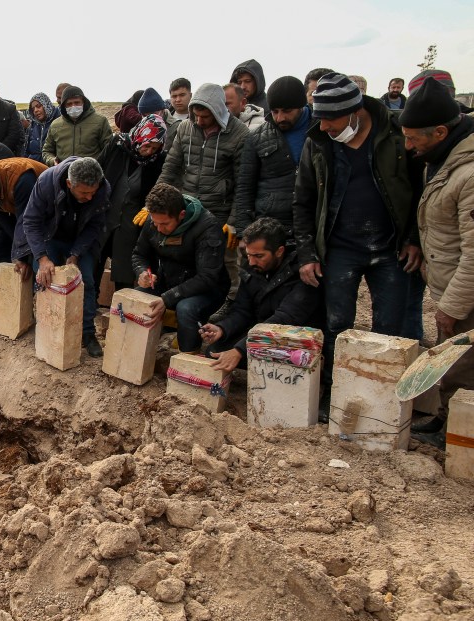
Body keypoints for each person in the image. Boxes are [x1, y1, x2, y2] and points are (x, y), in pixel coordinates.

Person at [293, 72, 421, 422]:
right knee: (337, 326)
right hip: (340, 248)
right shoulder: (318, 143)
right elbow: (303, 201)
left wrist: (412, 239)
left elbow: (417, 192)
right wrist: (307, 253)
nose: (324, 128)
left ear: (354, 111)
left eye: (330, 120)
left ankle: (383, 404)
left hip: (391, 249)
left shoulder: (394, 135)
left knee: (389, 330)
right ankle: (335, 394)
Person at [399, 77, 474, 444]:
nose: (408, 146)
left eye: (414, 138)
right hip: (448, 282)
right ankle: (445, 419)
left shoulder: (469, 172)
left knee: (466, 366)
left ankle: (459, 434)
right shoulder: (441, 158)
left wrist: (454, 305)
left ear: (442, 131)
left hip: (465, 290)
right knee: (452, 359)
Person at [157, 83, 249, 320]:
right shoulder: (185, 129)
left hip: (219, 209)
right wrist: (153, 203)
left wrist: (234, 220)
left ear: (218, 111)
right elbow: (171, 167)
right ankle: (186, 313)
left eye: (205, 116)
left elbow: (243, 182)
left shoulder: (239, 134)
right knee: (188, 262)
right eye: (196, 115)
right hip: (188, 209)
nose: (199, 120)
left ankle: (229, 307)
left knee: (225, 264)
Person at [13, 156, 110, 357]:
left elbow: (95, 226)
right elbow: (30, 221)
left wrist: (75, 254)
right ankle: (47, 327)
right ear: (69, 184)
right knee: (45, 279)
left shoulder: (102, 189)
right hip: (51, 235)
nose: (90, 197)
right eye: (84, 193)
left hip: (80, 238)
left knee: (87, 282)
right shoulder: (46, 182)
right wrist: (41, 257)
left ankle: (87, 333)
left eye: (93, 192)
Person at [199, 217, 321, 373]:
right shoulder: (252, 265)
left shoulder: (302, 273)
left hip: (293, 339)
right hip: (261, 331)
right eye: (249, 255)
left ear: (279, 251)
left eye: (259, 256)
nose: (251, 262)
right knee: (214, 352)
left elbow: (284, 320)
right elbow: (242, 310)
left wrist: (240, 350)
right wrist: (222, 328)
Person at [132, 183, 229, 354]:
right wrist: (142, 272)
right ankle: (139, 354)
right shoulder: (154, 220)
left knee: (185, 308)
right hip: (168, 280)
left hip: (207, 289)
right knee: (137, 296)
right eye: (156, 224)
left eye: (165, 224)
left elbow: (208, 277)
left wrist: (167, 298)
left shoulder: (208, 228)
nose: (159, 229)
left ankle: (188, 358)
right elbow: (139, 254)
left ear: (182, 215)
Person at [235, 76, 312, 240]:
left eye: (287, 111)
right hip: (271, 228)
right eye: (275, 111)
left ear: (301, 106)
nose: (280, 118)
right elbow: (244, 188)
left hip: (314, 225)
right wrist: (243, 233)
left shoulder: (320, 131)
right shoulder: (256, 137)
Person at [97, 114, 168, 288]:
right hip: (104, 217)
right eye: (148, 145)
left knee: (124, 274)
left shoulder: (157, 161)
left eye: (155, 148)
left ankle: (120, 311)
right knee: (93, 266)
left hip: (130, 223)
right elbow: (98, 168)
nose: (150, 151)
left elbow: (157, 189)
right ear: (141, 135)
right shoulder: (117, 145)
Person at [41, 86, 112, 166]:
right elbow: (47, 151)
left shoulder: (100, 121)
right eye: (69, 104)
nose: (73, 106)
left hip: (91, 174)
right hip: (63, 173)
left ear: (83, 102)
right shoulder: (55, 125)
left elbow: (109, 150)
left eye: (77, 102)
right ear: (64, 106)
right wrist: (52, 161)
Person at [25, 93, 60, 161]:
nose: (35, 110)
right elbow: (27, 151)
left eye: (38, 106)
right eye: (33, 109)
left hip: (53, 166)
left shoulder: (58, 123)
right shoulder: (32, 127)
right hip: (34, 166)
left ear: (46, 105)